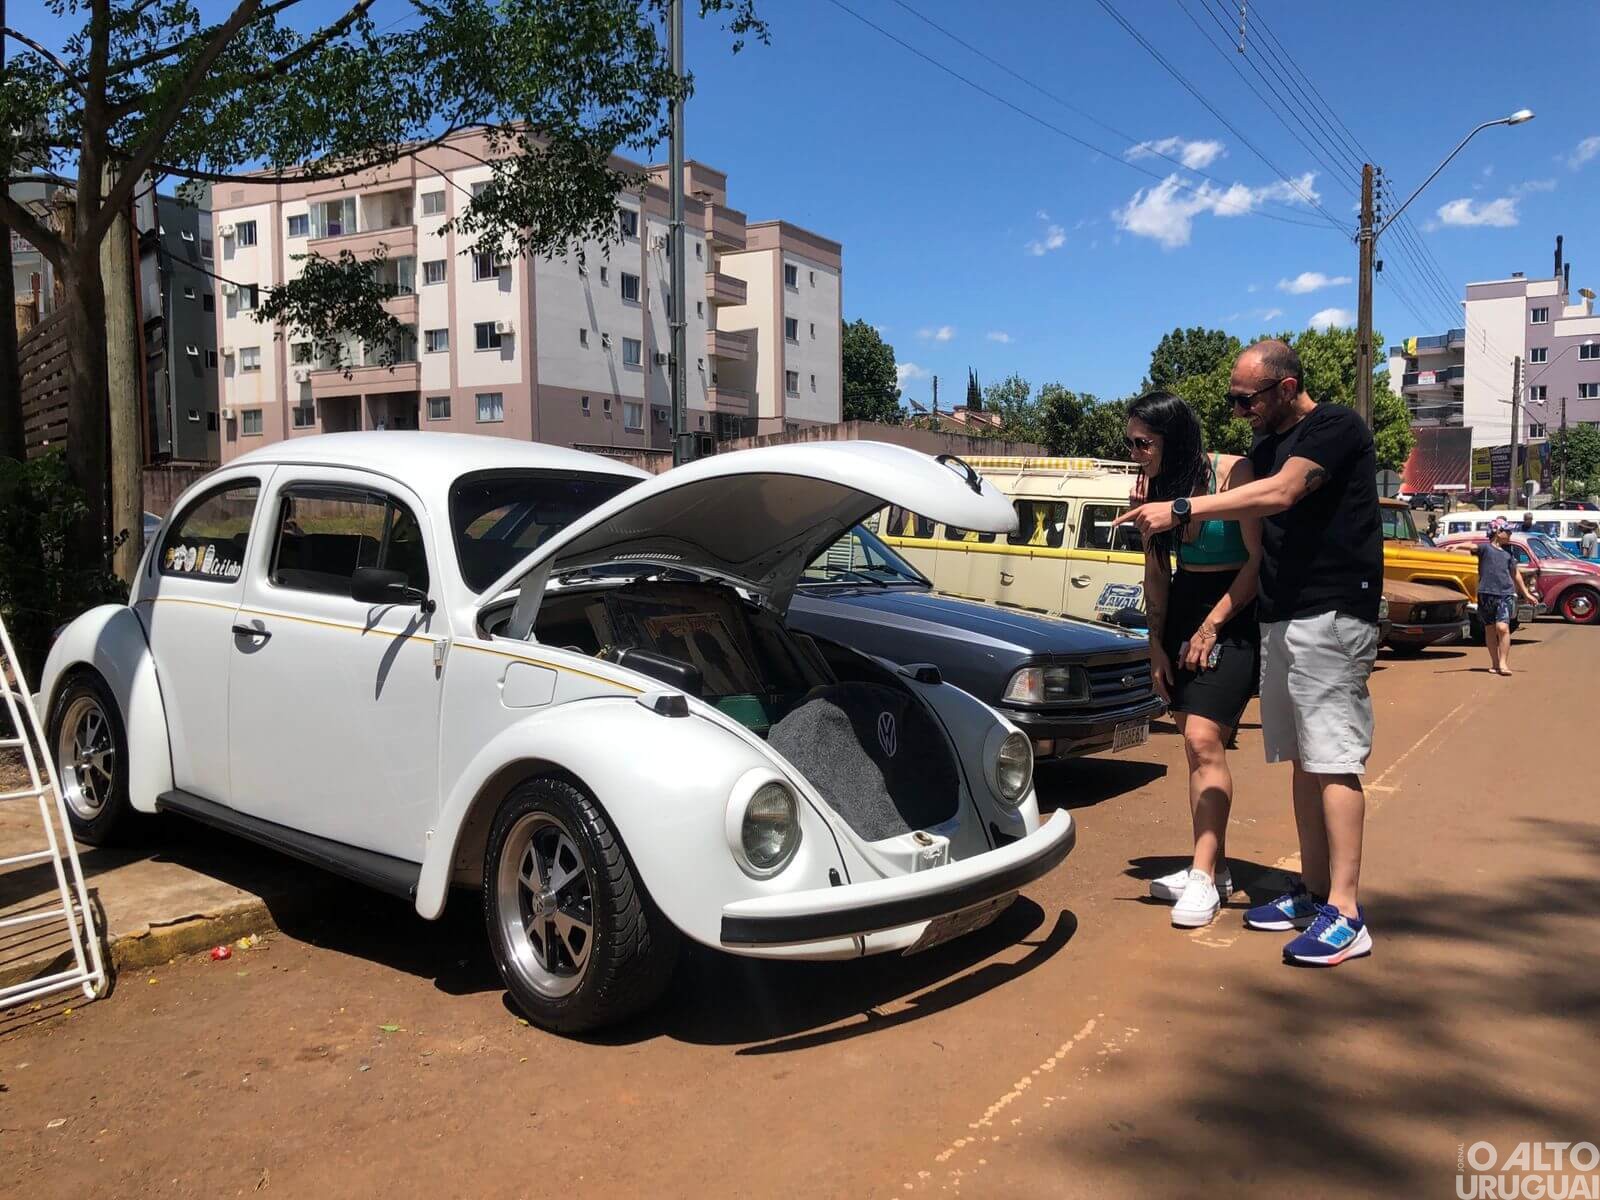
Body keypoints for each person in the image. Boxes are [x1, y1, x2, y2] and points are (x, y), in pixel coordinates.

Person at [1117, 340, 1382, 967]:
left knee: (1334, 760)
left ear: (1286, 387)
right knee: (1304, 761)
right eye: (1233, 401)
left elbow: (1283, 494)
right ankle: (1314, 892)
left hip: (1333, 613)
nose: (1239, 411)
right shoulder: (1265, 447)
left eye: (1246, 399)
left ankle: (1346, 913)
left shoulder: (1335, 426)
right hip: (1283, 616)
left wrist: (1183, 507)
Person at [1125, 392, 1261, 929]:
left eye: (1143, 443)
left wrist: (1211, 626)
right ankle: (1215, 865)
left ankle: (1202, 876)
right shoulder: (1151, 488)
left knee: (1203, 740)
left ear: (1174, 438)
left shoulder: (1234, 473)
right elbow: (1157, 572)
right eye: (1130, 443)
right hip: (1182, 611)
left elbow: (1258, 564)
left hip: (1234, 611)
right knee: (1195, 745)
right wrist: (1156, 644)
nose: (1135, 454)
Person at [1470, 519, 1539, 675]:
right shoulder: (1485, 549)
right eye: (1507, 531)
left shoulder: (1508, 554)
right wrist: (1457, 546)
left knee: (1502, 627)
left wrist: (1526, 593)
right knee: (1489, 629)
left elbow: (1516, 574)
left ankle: (1503, 663)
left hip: (1505, 594)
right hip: (1486, 593)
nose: (1510, 534)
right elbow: (1472, 546)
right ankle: (1495, 663)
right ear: (1497, 532)